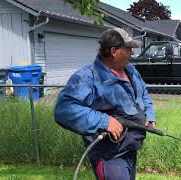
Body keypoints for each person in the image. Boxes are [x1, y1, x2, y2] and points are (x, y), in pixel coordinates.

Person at [54, 27, 156, 180]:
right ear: (114, 51)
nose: (132, 53)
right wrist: (104, 120)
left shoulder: (131, 71)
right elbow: (64, 109)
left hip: (130, 148)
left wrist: (149, 113)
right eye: (128, 49)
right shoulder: (87, 77)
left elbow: (143, 94)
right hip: (109, 156)